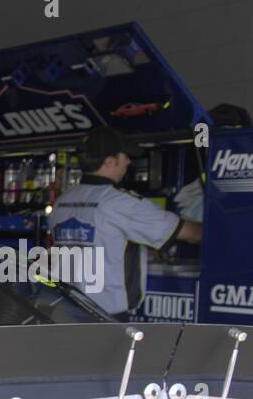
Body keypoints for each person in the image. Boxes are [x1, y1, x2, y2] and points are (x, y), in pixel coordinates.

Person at [50, 127, 202, 320]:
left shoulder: (62, 201)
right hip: (105, 315)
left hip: (68, 310)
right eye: (125, 156)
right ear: (109, 161)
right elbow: (190, 233)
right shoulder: (119, 202)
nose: (129, 161)